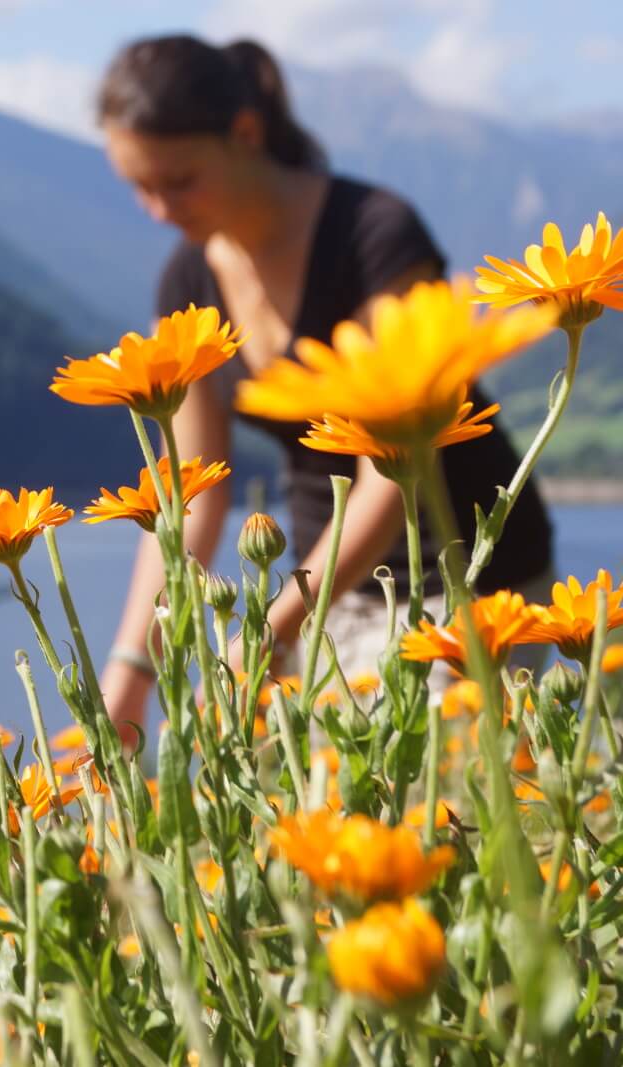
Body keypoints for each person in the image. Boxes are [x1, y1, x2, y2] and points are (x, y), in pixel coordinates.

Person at [91, 35, 554, 743]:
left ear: (245, 134)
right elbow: (191, 493)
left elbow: (393, 472)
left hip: (464, 574)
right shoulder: (187, 280)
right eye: (136, 185)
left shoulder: (375, 236)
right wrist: (130, 672)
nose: (156, 208)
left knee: (432, 807)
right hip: (324, 580)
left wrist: (271, 628)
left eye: (177, 180)